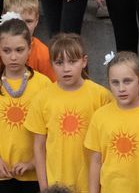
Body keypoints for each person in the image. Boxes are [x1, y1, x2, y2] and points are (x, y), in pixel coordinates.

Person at [0, 15, 51, 189]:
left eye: (19, 50)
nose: (13, 57)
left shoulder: (44, 84)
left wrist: (32, 162)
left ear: (30, 49)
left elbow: (50, 129)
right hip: (2, 172)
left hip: (36, 173)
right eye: (7, 51)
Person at [26, 33, 112, 193]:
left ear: (84, 61)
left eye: (72, 61)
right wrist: (44, 187)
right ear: (51, 64)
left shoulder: (102, 96)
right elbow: (39, 147)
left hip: (92, 184)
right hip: (56, 183)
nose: (66, 68)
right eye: (59, 62)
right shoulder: (42, 99)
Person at [86, 52, 139, 192]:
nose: (121, 89)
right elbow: (95, 161)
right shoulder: (100, 116)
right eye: (115, 82)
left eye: (127, 81)